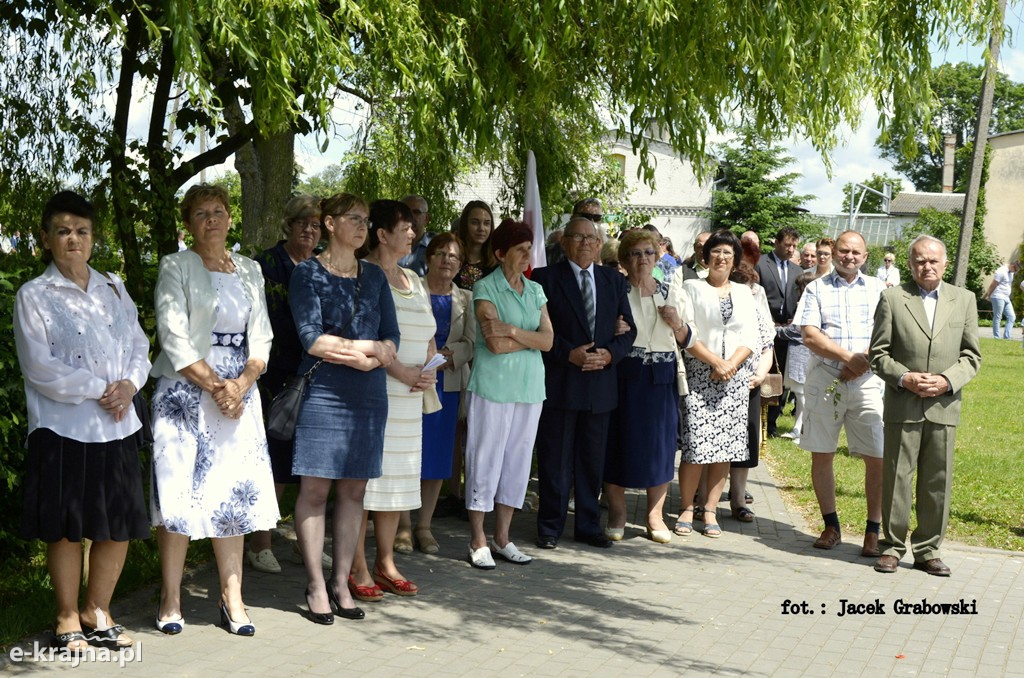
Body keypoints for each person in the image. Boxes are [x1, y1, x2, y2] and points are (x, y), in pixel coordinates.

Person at [14, 191, 151, 651]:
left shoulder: (113, 286)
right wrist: (102, 389)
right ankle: (68, 618)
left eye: (82, 231)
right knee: (68, 526)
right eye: (64, 231)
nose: (74, 239)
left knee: (116, 525)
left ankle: (100, 611)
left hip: (117, 424)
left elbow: (137, 344)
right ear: (47, 238)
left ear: (94, 238)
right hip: (63, 428)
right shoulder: (34, 295)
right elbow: (39, 366)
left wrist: (129, 385)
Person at [151, 184, 278, 636]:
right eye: (201, 213)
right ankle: (170, 598)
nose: (212, 219)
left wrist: (241, 384)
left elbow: (261, 335)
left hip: (239, 395)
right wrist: (215, 386)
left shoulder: (249, 269)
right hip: (186, 393)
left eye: (219, 211)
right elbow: (173, 335)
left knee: (233, 493)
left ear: (230, 218)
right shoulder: (175, 266)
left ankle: (232, 598)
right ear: (188, 223)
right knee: (178, 494)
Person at [289, 192, 398, 622]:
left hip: (368, 394)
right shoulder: (308, 274)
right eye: (354, 218)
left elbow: (392, 338)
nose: (363, 226)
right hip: (324, 392)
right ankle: (316, 584)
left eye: (366, 220)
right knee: (315, 490)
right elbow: (311, 339)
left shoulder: (373, 277)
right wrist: (366, 349)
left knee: (355, 490)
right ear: (330, 223)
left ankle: (341, 581)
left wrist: (374, 354)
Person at [870, 236, 981, 576]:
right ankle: (890, 547)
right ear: (910, 264)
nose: (927, 266)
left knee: (937, 479)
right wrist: (905, 378)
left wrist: (947, 380)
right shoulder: (892, 298)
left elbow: (971, 355)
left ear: (945, 264)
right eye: (920, 261)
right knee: (897, 476)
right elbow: (878, 354)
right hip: (904, 402)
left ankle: (928, 549)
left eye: (933, 260)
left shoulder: (964, 300)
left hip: (944, 405)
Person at [532, 217, 637, 550]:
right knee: (555, 461)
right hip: (562, 381)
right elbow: (539, 328)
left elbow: (629, 331)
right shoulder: (546, 278)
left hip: (600, 384)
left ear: (599, 243)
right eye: (577, 237)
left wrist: (608, 355)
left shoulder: (613, 281)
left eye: (591, 238)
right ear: (564, 243)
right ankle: (550, 526)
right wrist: (569, 354)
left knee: (592, 462)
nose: (585, 244)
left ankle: (589, 526)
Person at [351, 199, 436, 598]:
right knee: (365, 485)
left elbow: (428, 329)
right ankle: (357, 566)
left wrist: (430, 365)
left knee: (396, 482)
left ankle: (385, 561)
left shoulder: (414, 278)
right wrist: (399, 369)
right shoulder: (364, 275)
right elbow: (361, 336)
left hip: (411, 396)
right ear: (381, 234)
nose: (413, 233)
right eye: (404, 228)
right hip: (377, 390)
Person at [464, 219, 553, 568]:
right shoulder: (485, 288)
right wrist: (524, 338)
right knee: (484, 459)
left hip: (530, 390)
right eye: (520, 250)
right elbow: (494, 344)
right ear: (501, 254)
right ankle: (478, 540)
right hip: (493, 388)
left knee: (516, 465)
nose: (527, 255)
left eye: (529, 248)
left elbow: (548, 341)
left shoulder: (535, 291)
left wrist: (513, 329)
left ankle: (502, 538)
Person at [798, 230, 886, 558]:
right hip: (827, 381)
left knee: (876, 457)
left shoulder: (879, 289)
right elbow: (809, 336)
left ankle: (873, 532)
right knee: (822, 453)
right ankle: (831, 526)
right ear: (834, 251)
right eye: (844, 250)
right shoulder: (815, 288)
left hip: (868, 383)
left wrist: (862, 363)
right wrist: (849, 359)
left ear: (865, 256)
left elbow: (888, 334)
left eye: (856, 252)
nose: (849, 256)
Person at [603, 229, 694, 543]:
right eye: (635, 254)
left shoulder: (671, 291)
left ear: (658, 258)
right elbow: (598, 331)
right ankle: (618, 513)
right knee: (618, 443)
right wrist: (610, 329)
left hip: (661, 376)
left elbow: (688, 339)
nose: (643, 259)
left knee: (661, 447)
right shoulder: (615, 290)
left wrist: (678, 324)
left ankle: (654, 516)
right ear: (625, 260)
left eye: (649, 253)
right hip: (626, 375)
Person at [249, 194, 323, 574]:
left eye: (315, 225)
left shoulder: (321, 265)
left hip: (314, 373)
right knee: (275, 459)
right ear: (289, 225)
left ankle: (301, 541)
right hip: (275, 374)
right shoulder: (266, 264)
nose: (309, 231)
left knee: (309, 463)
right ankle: (260, 543)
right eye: (302, 224)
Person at [675, 230, 759, 538]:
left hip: (733, 379)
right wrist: (715, 362)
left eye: (727, 253)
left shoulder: (743, 292)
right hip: (700, 375)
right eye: (716, 252)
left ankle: (710, 510)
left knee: (724, 448)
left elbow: (751, 336)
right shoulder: (691, 287)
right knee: (696, 446)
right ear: (705, 256)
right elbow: (686, 332)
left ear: (735, 259)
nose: (721, 257)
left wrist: (731, 365)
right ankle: (686, 507)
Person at [410, 233, 476, 554]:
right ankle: (398, 527)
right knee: (408, 455)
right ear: (428, 257)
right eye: (441, 254)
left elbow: (472, 343)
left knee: (436, 458)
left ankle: (423, 525)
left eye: (454, 256)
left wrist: (452, 355)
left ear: (460, 264)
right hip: (411, 381)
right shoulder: (411, 288)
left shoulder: (465, 298)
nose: (447, 260)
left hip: (446, 385)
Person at [726, 260, 776, 523]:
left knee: (745, 442)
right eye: (746, 287)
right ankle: (701, 498)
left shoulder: (756, 304)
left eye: (753, 287)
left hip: (749, 384)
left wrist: (759, 375)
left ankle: (738, 499)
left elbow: (768, 344)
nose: (752, 291)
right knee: (714, 442)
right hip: (720, 380)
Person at [754, 227, 801, 438]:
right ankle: (756, 417)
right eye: (787, 245)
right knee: (762, 373)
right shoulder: (761, 265)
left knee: (779, 377)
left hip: (786, 331)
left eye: (794, 246)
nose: (791, 249)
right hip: (764, 328)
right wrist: (766, 321)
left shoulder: (797, 270)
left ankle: (771, 422)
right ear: (777, 243)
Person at [454, 200, 496, 290]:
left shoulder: (497, 266)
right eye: (475, 222)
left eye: (486, 223)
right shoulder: (451, 258)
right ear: (465, 225)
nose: (481, 228)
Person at [397, 194, 432, 276]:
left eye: (416, 212)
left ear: (426, 218)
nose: (411, 216)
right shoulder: (389, 244)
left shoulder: (435, 247)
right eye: (406, 212)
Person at [983, 260, 1018, 339]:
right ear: (1012, 265)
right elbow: (993, 284)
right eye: (1015, 269)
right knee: (998, 317)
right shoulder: (1001, 271)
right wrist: (988, 295)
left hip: (1006, 297)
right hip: (998, 296)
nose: (1016, 272)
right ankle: (997, 337)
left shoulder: (1011, 272)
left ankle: (1007, 337)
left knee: (1012, 316)